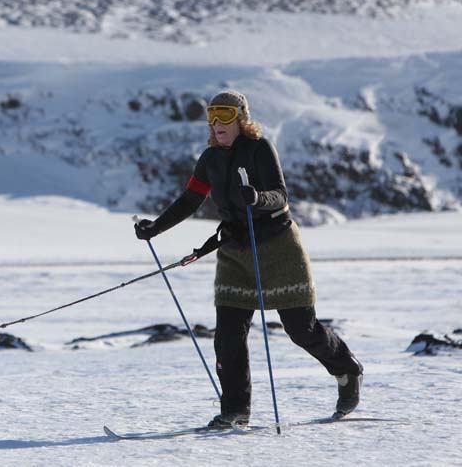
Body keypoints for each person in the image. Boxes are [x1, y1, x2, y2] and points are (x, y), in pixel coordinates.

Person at [134, 90, 363, 428]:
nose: (217, 123)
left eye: (225, 115)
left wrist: (257, 198)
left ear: (242, 119)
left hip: (277, 245)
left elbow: (280, 195)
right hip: (235, 250)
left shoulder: (260, 149)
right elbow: (190, 200)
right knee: (228, 334)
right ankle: (235, 410)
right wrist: (156, 227)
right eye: (212, 115)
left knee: (301, 329)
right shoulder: (210, 158)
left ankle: (346, 369)